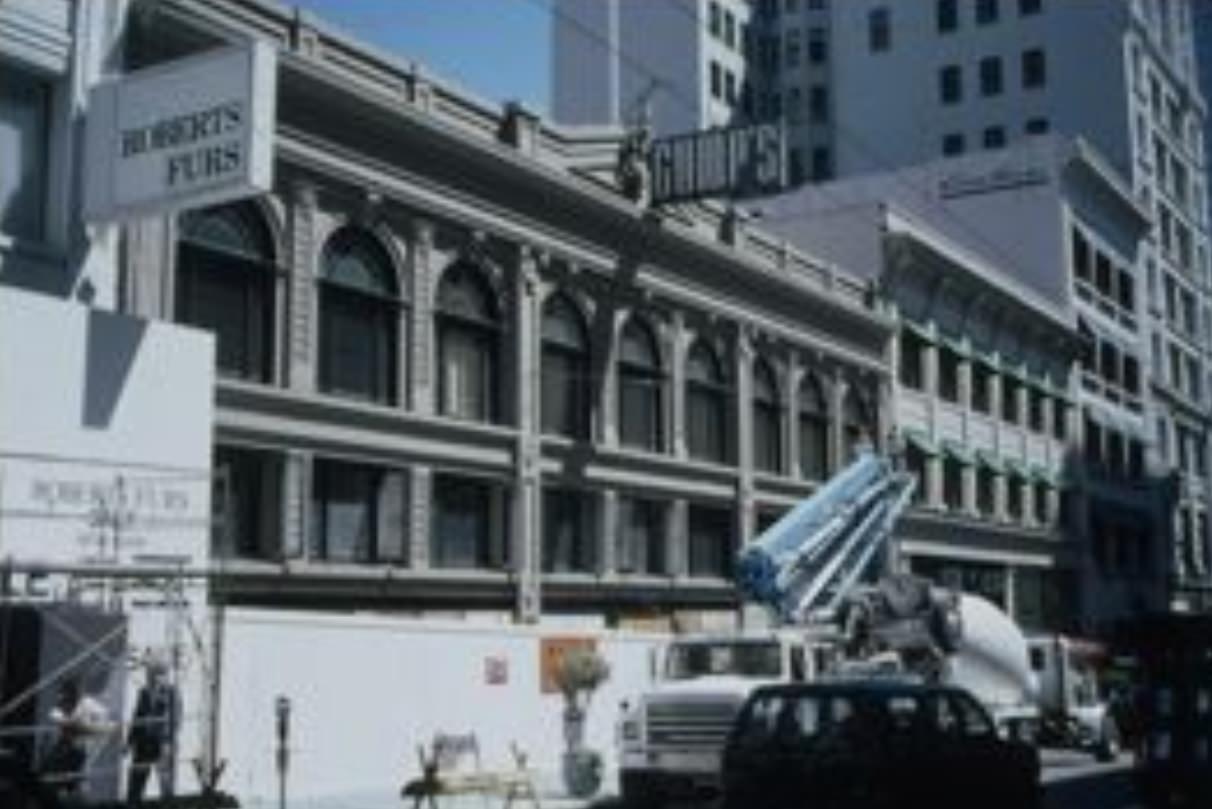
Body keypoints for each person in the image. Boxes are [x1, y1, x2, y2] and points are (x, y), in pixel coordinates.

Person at [41, 677, 112, 802]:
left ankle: (72, 796)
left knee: (74, 780)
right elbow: (56, 717)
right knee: (58, 779)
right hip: (64, 748)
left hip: (78, 749)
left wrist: (92, 727)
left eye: (66, 691)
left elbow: (104, 714)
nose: (63, 694)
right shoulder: (62, 704)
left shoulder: (87, 703)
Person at [125, 656, 180, 806]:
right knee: (136, 779)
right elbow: (136, 717)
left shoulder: (171, 692)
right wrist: (129, 742)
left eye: (152, 672)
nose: (149, 675)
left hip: (161, 742)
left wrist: (169, 740)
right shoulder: (143, 692)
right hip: (143, 742)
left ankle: (167, 804)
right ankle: (133, 804)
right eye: (148, 672)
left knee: (165, 780)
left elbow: (176, 717)